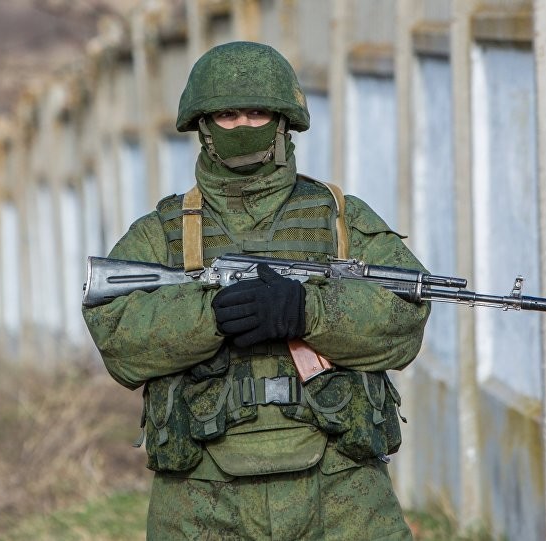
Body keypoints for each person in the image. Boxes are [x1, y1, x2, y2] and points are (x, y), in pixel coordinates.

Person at [83, 41, 430, 540]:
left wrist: (306, 311)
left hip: (341, 489)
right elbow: (116, 333)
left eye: (257, 113)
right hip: (200, 496)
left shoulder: (340, 219)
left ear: (283, 121)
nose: (243, 126)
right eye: (227, 115)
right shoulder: (164, 231)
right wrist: (213, 316)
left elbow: (404, 315)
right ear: (203, 125)